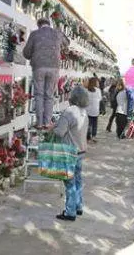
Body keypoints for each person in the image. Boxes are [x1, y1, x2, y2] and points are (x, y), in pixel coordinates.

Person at [23, 18, 69, 129]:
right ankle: (47, 122)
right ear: (49, 24)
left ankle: (39, 123)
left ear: (39, 25)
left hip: (38, 67)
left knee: (39, 95)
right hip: (54, 68)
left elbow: (26, 53)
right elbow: (67, 43)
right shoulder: (57, 33)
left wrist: (35, 53)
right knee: (49, 96)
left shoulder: (34, 34)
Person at [52, 85, 89, 221]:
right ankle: (78, 206)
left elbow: (60, 132)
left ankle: (70, 212)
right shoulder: (83, 112)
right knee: (78, 180)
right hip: (81, 150)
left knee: (69, 183)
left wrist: (52, 127)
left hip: (69, 151)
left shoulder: (69, 112)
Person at [84, 77, 101, 142]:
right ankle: (94, 136)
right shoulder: (98, 90)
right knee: (94, 124)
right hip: (95, 110)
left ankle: (88, 137)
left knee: (88, 124)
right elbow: (100, 99)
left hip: (87, 110)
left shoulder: (86, 90)